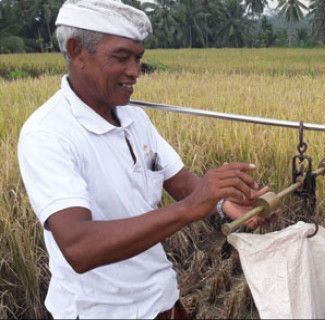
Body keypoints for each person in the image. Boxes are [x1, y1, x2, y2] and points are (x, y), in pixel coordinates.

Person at [17, 1, 267, 318]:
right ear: (77, 51)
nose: (135, 71)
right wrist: (191, 208)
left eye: (138, 58)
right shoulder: (48, 134)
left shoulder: (134, 117)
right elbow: (79, 247)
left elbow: (181, 182)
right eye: (121, 58)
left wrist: (228, 204)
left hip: (161, 300)